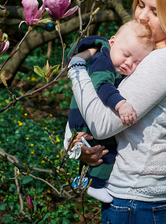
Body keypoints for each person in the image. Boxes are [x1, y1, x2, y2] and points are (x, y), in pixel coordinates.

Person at [66, 0, 166, 224]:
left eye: (155, 12)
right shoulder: (141, 53)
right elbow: (90, 110)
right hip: (129, 196)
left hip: (137, 200)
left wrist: (76, 68)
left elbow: (102, 124)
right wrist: (76, 147)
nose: (142, 17)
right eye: (141, 5)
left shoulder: (164, 61)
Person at [66, 20, 155, 203]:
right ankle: (96, 186)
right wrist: (121, 104)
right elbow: (102, 86)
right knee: (107, 151)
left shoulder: (106, 59)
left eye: (137, 62)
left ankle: (82, 181)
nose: (128, 63)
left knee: (93, 152)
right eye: (126, 54)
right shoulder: (102, 61)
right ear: (112, 42)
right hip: (85, 118)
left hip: (82, 116)